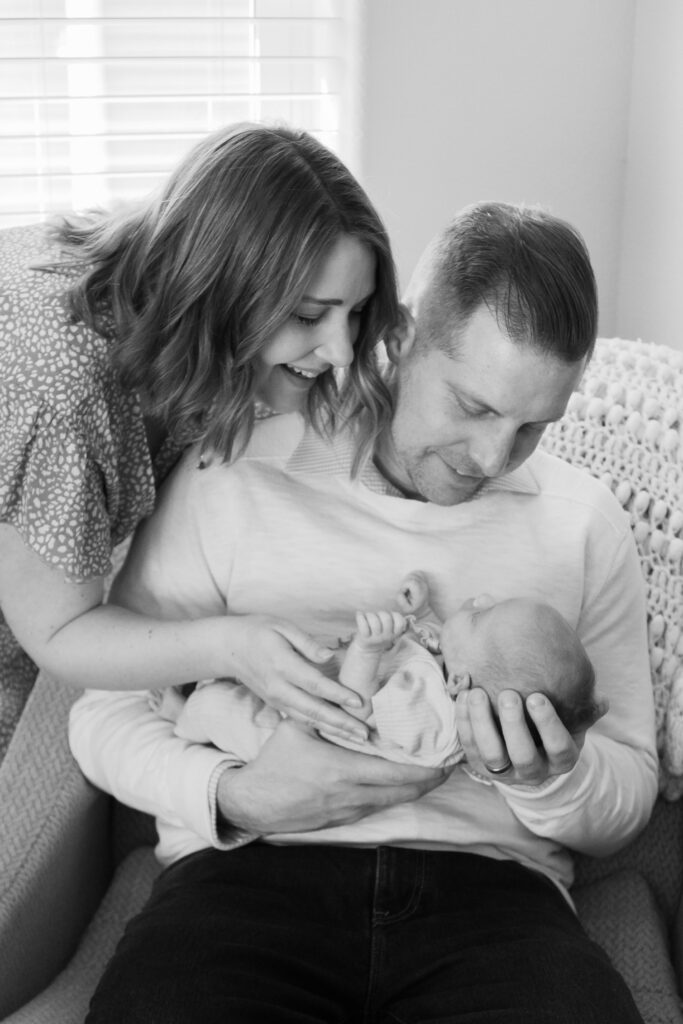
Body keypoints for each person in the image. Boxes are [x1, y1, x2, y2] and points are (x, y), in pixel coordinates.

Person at [70, 201, 657, 1023]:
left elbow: (627, 792)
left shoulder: (582, 523)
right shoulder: (232, 477)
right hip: (244, 885)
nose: (492, 458)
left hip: (493, 905)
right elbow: (106, 712)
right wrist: (234, 796)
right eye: (475, 407)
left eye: (533, 425)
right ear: (401, 336)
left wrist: (551, 780)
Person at [0, 120, 405, 763]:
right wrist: (231, 646)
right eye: (308, 315)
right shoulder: (63, 389)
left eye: (354, 312)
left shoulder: (178, 291)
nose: (340, 351)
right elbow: (59, 630)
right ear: (217, 288)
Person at [169, 571, 604, 770]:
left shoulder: (434, 720)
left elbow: (356, 713)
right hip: (307, 690)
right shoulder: (452, 672)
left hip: (294, 734)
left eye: (479, 616)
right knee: (254, 670)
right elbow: (436, 644)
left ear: (459, 683)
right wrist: (422, 609)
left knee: (219, 709)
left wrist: (366, 650)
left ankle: (179, 718)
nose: (482, 598)